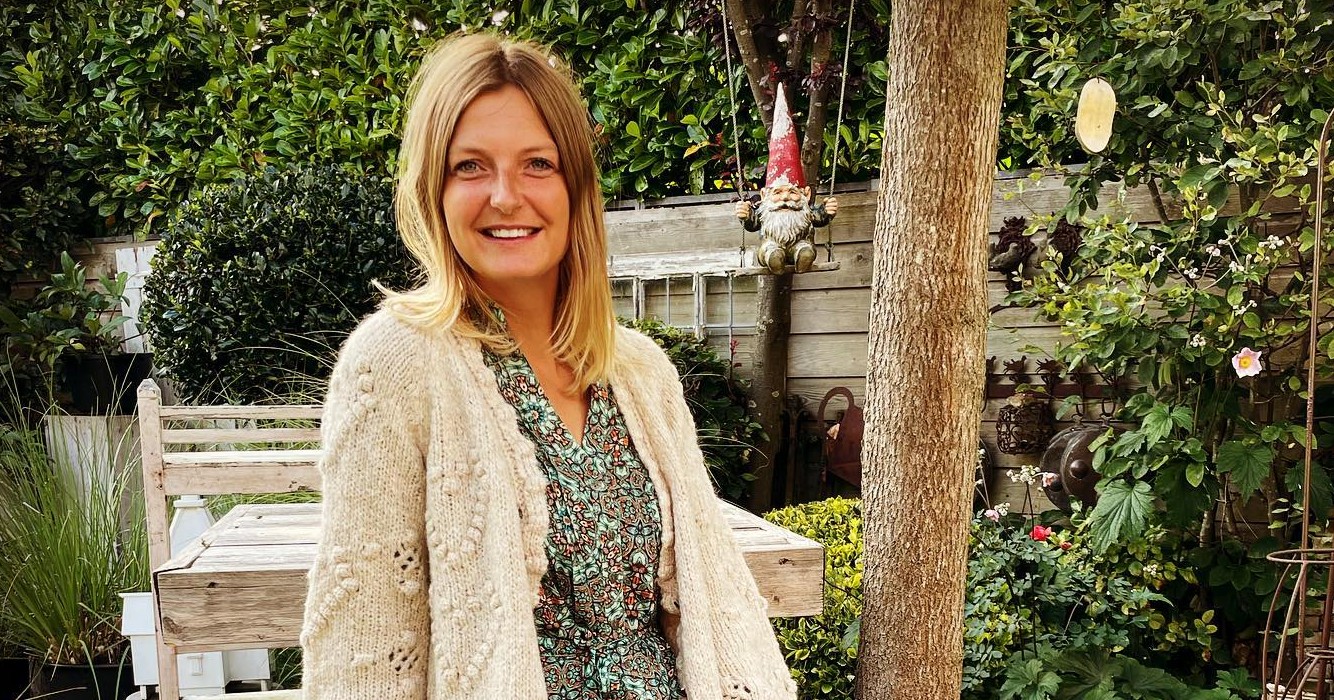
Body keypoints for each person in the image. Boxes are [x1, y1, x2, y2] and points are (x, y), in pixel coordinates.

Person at [299, 33, 797, 700]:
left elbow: (711, 603)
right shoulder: (395, 364)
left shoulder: (641, 372)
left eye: (537, 163)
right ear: (433, 190)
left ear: (575, 187)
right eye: (470, 166)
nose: (506, 196)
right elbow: (364, 648)